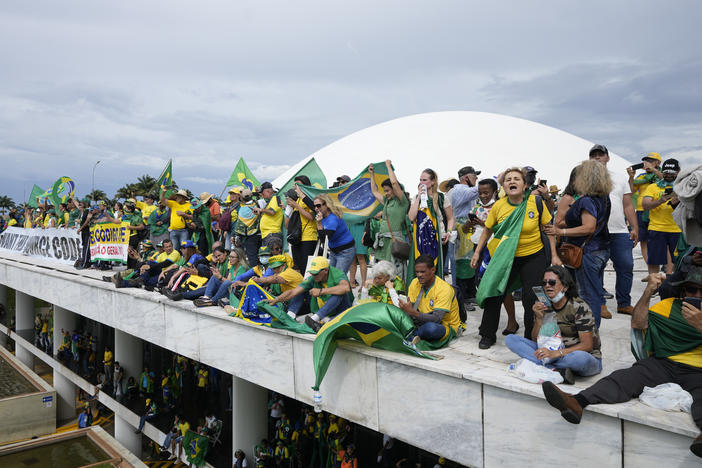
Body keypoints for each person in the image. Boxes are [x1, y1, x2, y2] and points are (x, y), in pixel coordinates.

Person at [541, 266, 702, 458]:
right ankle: (576, 402)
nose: (697, 295)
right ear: (684, 291)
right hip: (664, 363)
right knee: (625, 377)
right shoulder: (669, 306)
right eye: (692, 290)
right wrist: (648, 292)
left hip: (698, 370)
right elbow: (638, 323)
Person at [471, 167, 560, 349]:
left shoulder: (535, 203)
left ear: (525, 184)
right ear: (503, 186)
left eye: (517, 179)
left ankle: (529, 337)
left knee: (531, 298)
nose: (512, 181)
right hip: (506, 258)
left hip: (533, 257)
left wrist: (555, 255)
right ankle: (487, 335)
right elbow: (487, 229)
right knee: (494, 293)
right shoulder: (499, 206)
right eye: (508, 179)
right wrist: (477, 252)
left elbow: (548, 229)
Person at [545, 159, 612, 326]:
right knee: (593, 292)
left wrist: (561, 231)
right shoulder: (604, 197)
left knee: (588, 294)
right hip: (601, 249)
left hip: (588, 251)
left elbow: (588, 227)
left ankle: (591, 333)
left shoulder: (586, 200)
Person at [505, 266, 602, 382]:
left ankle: (546, 365)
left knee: (580, 359)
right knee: (511, 340)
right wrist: (539, 319)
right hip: (550, 350)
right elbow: (536, 340)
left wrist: (556, 353)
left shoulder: (579, 307)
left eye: (552, 282)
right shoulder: (542, 304)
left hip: (575, 354)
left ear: (565, 287)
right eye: (544, 283)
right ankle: (555, 368)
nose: (547, 286)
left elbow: (587, 345)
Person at [588, 145, 639, 316]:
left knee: (626, 266)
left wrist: (635, 227)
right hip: (596, 232)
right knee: (597, 268)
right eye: (593, 155)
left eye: (600, 155)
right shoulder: (584, 179)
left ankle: (624, 303)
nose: (597, 157)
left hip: (619, 231)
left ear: (607, 158)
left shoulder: (619, 178)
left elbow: (628, 204)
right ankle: (600, 303)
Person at [269, 256, 352, 332]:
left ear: (325, 270)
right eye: (312, 273)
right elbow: (293, 292)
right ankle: (290, 316)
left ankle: (315, 320)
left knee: (339, 293)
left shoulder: (338, 274)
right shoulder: (312, 278)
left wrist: (321, 291)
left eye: (315, 273)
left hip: (339, 312)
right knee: (300, 290)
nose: (313, 275)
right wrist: (276, 300)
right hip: (320, 310)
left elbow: (345, 288)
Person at [399, 254, 461, 344]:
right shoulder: (414, 282)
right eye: (417, 272)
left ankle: (411, 336)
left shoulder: (444, 289)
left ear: (433, 270)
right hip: (420, 321)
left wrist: (413, 312)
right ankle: (414, 335)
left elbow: (437, 319)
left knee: (431, 329)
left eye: (423, 272)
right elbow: (411, 307)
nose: (419, 275)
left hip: (442, 325)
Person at [368, 159, 410, 281]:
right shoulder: (387, 201)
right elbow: (374, 191)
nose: (386, 193)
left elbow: (395, 183)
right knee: (382, 269)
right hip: (383, 241)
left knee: (395, 270)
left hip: (394, 241)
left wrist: (388, 167)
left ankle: (398, 292)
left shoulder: (402, 202)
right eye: (385, 191)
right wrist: (372, 174)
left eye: (387, 190)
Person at [408, 168, 454, 278]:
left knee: (435, 268)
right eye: (420, 180)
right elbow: (411, 217)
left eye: (424, 180)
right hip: (420, 239)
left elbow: (451, 218)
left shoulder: (442, 197)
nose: (421, 182)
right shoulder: (415, 198)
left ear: (433, 182)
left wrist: (449, 232)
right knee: (420, 269)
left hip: (438, 239)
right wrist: (419, 196)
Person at [642, 158, 681, 275]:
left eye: (672, 172)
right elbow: (645, 205)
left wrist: (679, 201)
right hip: (656, 229)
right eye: (666, 172)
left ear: (678, 172)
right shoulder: (653, 187)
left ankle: (671, 287)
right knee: (654, 261)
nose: (668, 175)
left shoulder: (683, 187)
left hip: (678, 230)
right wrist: (660, 201)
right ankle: (653, 285)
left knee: (678, 261)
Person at [314, 194, 356, 275]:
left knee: (338, 277)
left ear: (326, 204)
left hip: (345, 250)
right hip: (334, 250)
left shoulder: (333, 218)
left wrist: (319, 223)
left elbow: (324, 239)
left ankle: (345, 287)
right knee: (330, 276)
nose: (316, 208)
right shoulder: (322, 215)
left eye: (318, 205)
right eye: (314, 206)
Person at [285, 176, 318, 273]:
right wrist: (289, 209)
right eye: (294, 184)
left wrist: (297, 206)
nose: (295, 187)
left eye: (298, 184)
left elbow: (311, 217)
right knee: (298, 265)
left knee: (306, 267)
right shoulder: (297, 199)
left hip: (308, 237)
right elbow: (288, 223)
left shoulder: (309, 199)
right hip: (296, 237)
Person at [234, 189, 263, 267]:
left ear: (242, 198)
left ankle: (255, 276)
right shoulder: (259, 204)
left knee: (253, 259)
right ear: (251, 196)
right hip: (262, 234)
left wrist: (236, 236)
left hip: (250, 238)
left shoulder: (242, 209)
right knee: (263, 256)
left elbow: (239, 227)